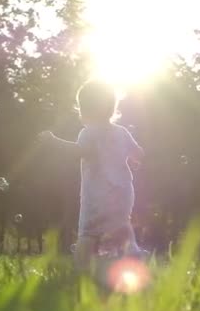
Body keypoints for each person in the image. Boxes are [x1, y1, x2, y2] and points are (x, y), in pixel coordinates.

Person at [39, 80, 146, 269]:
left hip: (98, 196)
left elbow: (80, 152)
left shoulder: (88, 133)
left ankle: (80, 270)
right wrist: (134, 161)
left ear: (85, 110)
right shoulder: (122, 132)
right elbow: (138, 152)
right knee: (122, 226)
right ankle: (133, 252)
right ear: (112, 108)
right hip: (123, 193)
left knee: (88, 232)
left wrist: (53, 141)